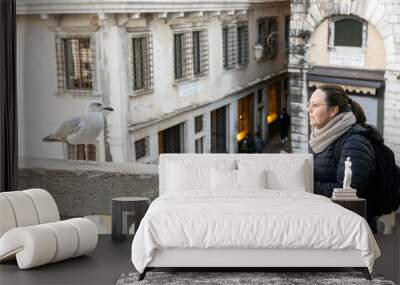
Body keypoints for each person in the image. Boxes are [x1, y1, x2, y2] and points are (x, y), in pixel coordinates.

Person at [308, 84, 381, 232]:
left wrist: (306, 184)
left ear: (333, 110)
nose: (309, 110)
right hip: (330, 221)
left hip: (352, 229)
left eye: (315, 105)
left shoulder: (354, 142)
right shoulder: (324, 137)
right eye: (309, 104)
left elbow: (347, 190)